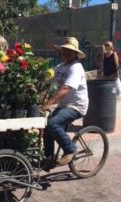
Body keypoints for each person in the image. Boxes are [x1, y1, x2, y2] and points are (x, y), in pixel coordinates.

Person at [41, 37, 88, 169]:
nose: (66, 53)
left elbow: (66, 88)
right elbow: (49, 81)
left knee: (53, 123)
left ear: (75, 54)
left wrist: (49, 103)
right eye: (64, 50)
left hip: (76, 106)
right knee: (47, 129)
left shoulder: (76, 68)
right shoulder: (60, 67)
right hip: (63, 106)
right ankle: (48, 158)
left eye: (69, 51)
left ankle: (70, 150)